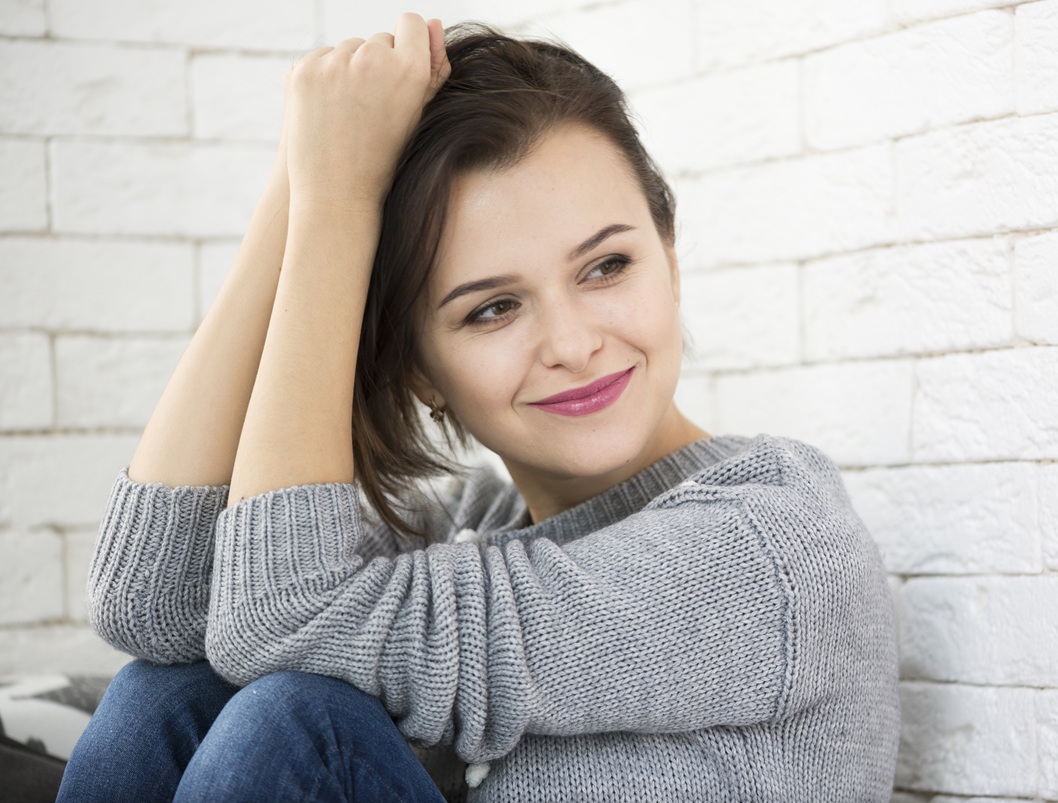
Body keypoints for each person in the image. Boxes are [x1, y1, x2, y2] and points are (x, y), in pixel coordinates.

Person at [57, 14, 899, 803]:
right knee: (166, 690)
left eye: (606, 266)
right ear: (418, 369)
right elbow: (158, 606)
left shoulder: (772, 544)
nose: (571, 343)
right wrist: (303, 184)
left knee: (296, 720)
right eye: (491, 308)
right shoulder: (474, 523)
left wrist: (340, 202)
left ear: (669, 263)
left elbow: (281, 614)